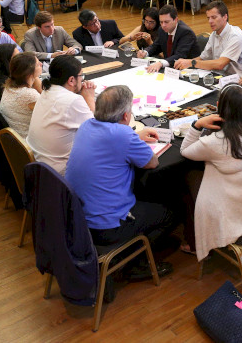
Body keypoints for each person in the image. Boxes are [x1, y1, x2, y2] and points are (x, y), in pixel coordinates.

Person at [64, 85, 174, 277]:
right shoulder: (123, 135)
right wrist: (133, 138)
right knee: (169, 214)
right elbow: (152, 162)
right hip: (107, 226)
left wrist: (133, 138)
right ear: (125, 116)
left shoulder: (87, 125)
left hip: (78, 219)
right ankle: (134, 263)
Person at [180, 84, 242, 259]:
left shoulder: (217, 141)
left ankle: (195, 242)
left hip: (236, 208)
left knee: (189, 176)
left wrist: (197, 125)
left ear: (219, 107)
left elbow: (185, 150)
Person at [27, 56, 96, 175]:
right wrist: (89, 97)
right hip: (59, 173)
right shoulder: (73, 100)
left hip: (39, 162)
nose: (83, 80)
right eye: (81, 76)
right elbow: (96, 130)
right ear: (71, 80)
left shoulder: (47, 91)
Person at [174, 1, 242, 77]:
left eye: (214, 17)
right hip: (217, 76)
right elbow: (203, 58)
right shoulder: (214, 34)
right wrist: (185, 62)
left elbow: (220, 64)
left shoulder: (235, 36)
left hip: (234, 81)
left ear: (225, 17)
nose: (210, 21)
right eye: (208, 18)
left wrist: (191, 63)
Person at [137, 5, 200, 73]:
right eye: (161, 22)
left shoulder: (186, 32)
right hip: (171, 68)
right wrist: (145, 52)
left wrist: (160, 63)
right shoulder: (162, 29)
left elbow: (180, 55)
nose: (163, 25)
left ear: (176, 20)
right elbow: (156, 46)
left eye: (166, 22)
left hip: (189, 70)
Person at [0, 52, 43, 139]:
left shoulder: (9, 86)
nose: (41, 64)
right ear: (29, 72)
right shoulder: (29, 95)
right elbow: (51, 114)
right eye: (38, 64)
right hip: (28, 143)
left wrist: (33, 77)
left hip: (16, 141)